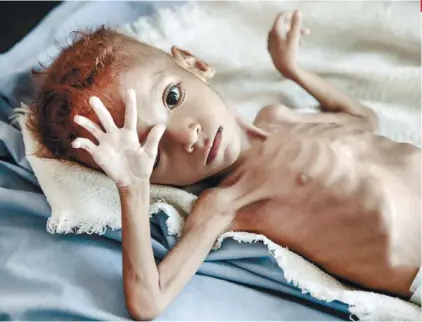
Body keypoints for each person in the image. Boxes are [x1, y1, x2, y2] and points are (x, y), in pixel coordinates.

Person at [27, 10, 421, 320]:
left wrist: (294, 70)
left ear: (193, 63)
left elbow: (362, 121)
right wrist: (133, 187)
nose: (188, 136)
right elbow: (148, 301)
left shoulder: (280, 115)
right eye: (153, 148)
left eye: (172, 97)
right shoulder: (227, 202)